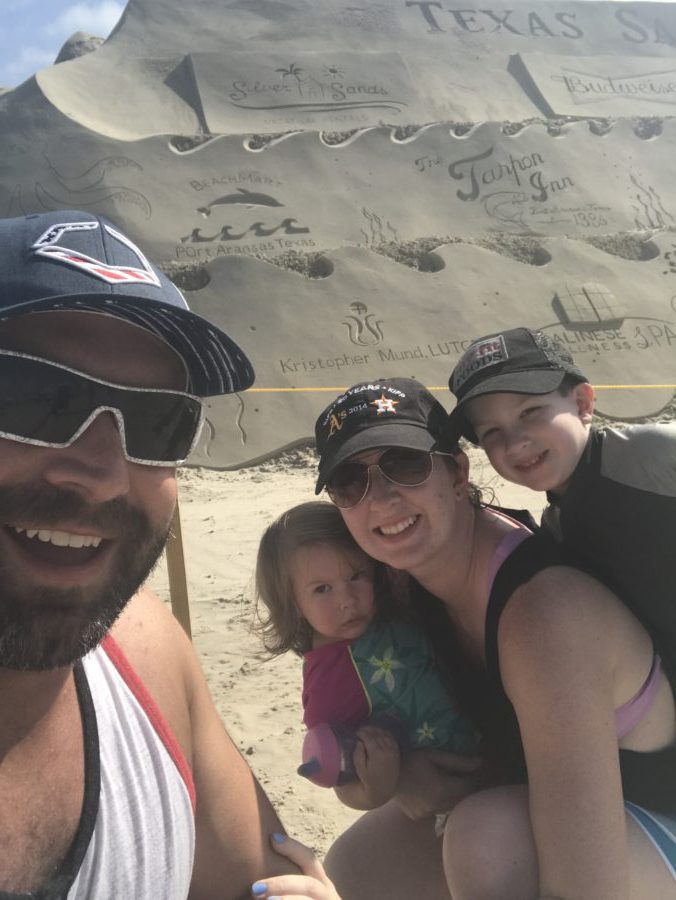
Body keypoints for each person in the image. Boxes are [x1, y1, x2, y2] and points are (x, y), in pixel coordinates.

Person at [0, 209, 301, 898]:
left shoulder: (145, 655)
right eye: (32, 398)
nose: (103, 475)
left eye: (157, 422)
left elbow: (267, 880)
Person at [309, 376, 676, 900]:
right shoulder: (407, 587)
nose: (383, 498)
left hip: (659, 812)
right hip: (556, 798)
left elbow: (587, 887)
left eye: (406, 464)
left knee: (485, 840)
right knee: (361, 866)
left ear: (457, 472)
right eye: (351, 481)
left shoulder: (544, 616)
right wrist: (399, 773)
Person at [446, 326, 676, 688]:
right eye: (491, 432)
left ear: (583, 403)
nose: (515, 443)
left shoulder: (655, 454)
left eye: (530, 411)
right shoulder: (556, 529)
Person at [254, 500, 478, 808]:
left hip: (499, 736)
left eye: (356, 576)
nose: (347, 599)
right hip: (449, 787)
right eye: (322, 589)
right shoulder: (329, 685)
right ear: (292, 605)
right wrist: (376, 790)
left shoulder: (392, 607)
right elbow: (342, 778)